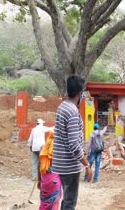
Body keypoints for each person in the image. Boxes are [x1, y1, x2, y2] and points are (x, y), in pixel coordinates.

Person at [52, 75, 92, 210]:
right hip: (69, 166)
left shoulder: (62, 107)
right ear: (80, 94)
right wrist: (86, 165)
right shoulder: (73, 112)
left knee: (66, 200)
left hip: (59, 164)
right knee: (70, 202)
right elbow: (74, 145)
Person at [38, 128, 62, 210]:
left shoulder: (44, 148)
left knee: (44, 202)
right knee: (54, 204)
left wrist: (39, 180)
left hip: (44, 180)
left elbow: (40, 165)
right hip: (55, 179)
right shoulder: (59, 149)